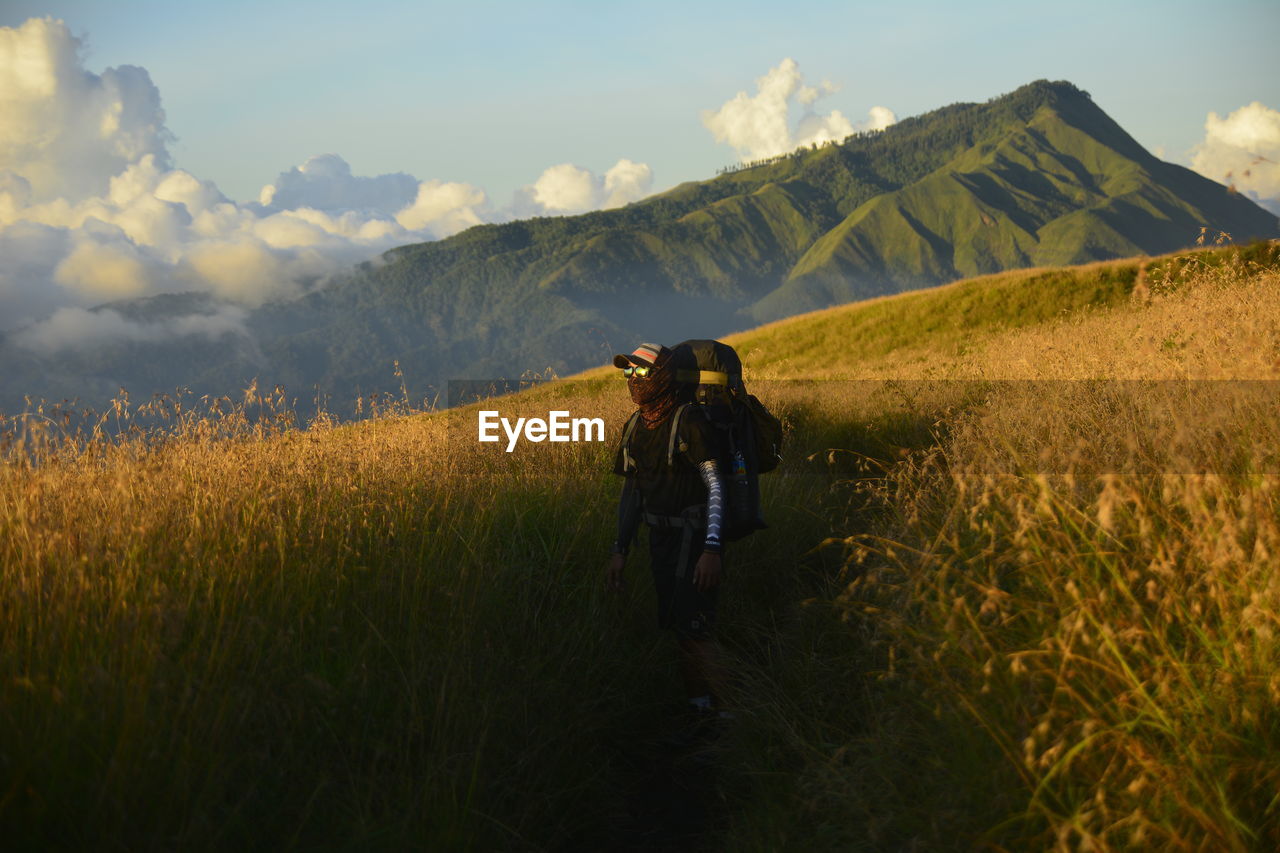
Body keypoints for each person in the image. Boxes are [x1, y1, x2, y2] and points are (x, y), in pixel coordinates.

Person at [606, 342, 729, 730]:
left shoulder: (689, 420)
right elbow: (632, 492)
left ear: (661, 375)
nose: (632, 379)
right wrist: (620, 550)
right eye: (628, 372)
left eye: (640, 372)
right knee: (682, 631)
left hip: (694, 545)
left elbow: (716, 487)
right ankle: (701, 714)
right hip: (660, 544)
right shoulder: (635, 426)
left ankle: (737, 719)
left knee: (698, 633)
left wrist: (712, 549)